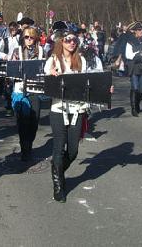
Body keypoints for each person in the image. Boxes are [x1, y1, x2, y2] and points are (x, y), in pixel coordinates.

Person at [44, 27, 87, 203]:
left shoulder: (81, 60)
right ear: (62, 41)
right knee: (58, 148)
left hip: (77, 109)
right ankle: (58, 186)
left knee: (74, 150)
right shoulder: (54, 59)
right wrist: (52, 75)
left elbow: (88, 83)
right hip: (59, 109)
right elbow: (46, 80)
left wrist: (105, 89)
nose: (71, 42)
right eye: (68, 39)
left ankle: (58, 170)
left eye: (74, 40)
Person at [10, 27, 45, 161]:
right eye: (26, 37)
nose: (29, 40)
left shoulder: (41, 51)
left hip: (35, 89)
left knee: (34, 121)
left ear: (35, 38)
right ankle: (25, 149)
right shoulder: (17, 51)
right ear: (22, 38)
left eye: (31, 37)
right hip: (20, 89)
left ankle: (29, 143)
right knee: (22, 121)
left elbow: (45, 68)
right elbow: (11, 69)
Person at [124, 22, 142, 116]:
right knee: (135, 87)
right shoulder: (130, 41)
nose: (140, 31)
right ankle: (134, 108)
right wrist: (137, 54)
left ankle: (137, 103)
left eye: (141, 30)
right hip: (134, 66)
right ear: (135, 31)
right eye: (138, 30)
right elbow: (128, 55)